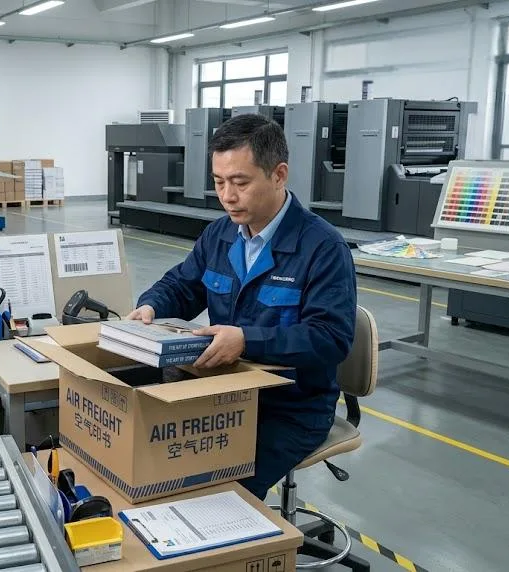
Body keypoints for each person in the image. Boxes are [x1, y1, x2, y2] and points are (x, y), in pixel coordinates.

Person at [126, 113, 357, 499]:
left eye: (240, 183)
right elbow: (183, 284)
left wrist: (247, 341)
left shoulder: (322, 247)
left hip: (290, 408)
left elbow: (331, 338)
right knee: (155, 455)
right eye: (219, 183)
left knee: (220, 490)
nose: (227, 196)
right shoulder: (220, 233)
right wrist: (150, 306)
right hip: (225, 393)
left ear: (279, 175)